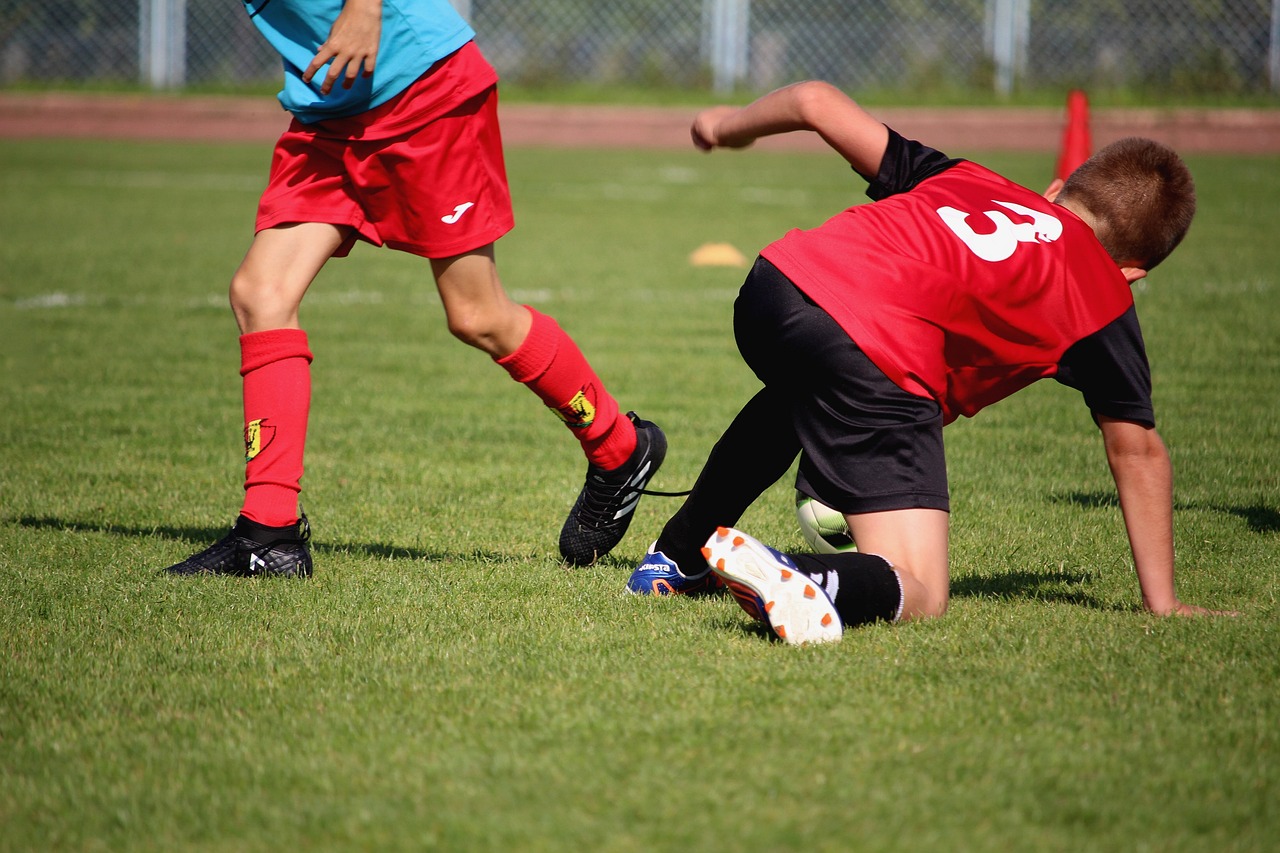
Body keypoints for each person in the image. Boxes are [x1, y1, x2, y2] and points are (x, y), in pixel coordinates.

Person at [625, 80, 1234, 643]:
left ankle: (675, 557)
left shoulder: (971, 178)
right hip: (872, 349)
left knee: (801, 393)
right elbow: (1137, 450)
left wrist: (728, 125)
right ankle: (799, 574)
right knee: (920, 587)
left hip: (775, 286)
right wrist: (1165, 603)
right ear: (1133, 275)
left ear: (1053, 191)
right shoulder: (1101, 294)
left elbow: (814, 100)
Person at [163, 0, 664, 577]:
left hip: (423, 91)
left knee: (476, 313)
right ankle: (268, 535)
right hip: (331, 108)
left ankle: (618, 448)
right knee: (260, 293)